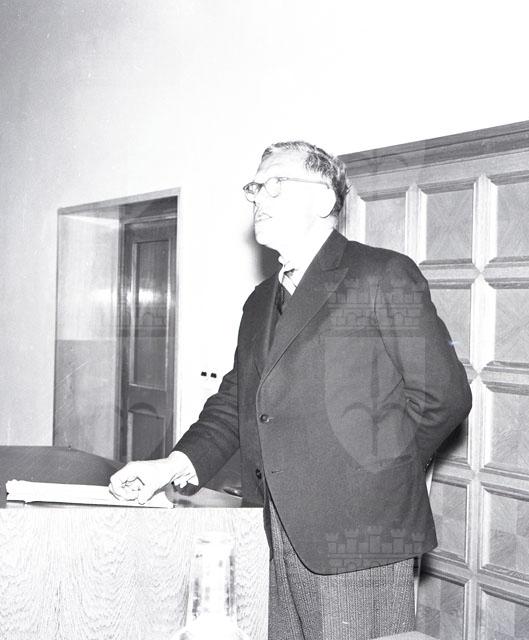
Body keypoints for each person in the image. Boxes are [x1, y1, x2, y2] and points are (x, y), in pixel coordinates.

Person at [109, 140, 472, 639]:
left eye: (275, 184)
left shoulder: (382, 274)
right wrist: (170, 466)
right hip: (273, 527)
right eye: (255, 188)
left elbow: (444, 395)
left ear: (324, 199)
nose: (258, 198)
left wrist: (377, 473)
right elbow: (237, 401)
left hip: (359, 535)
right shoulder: (261, 300)